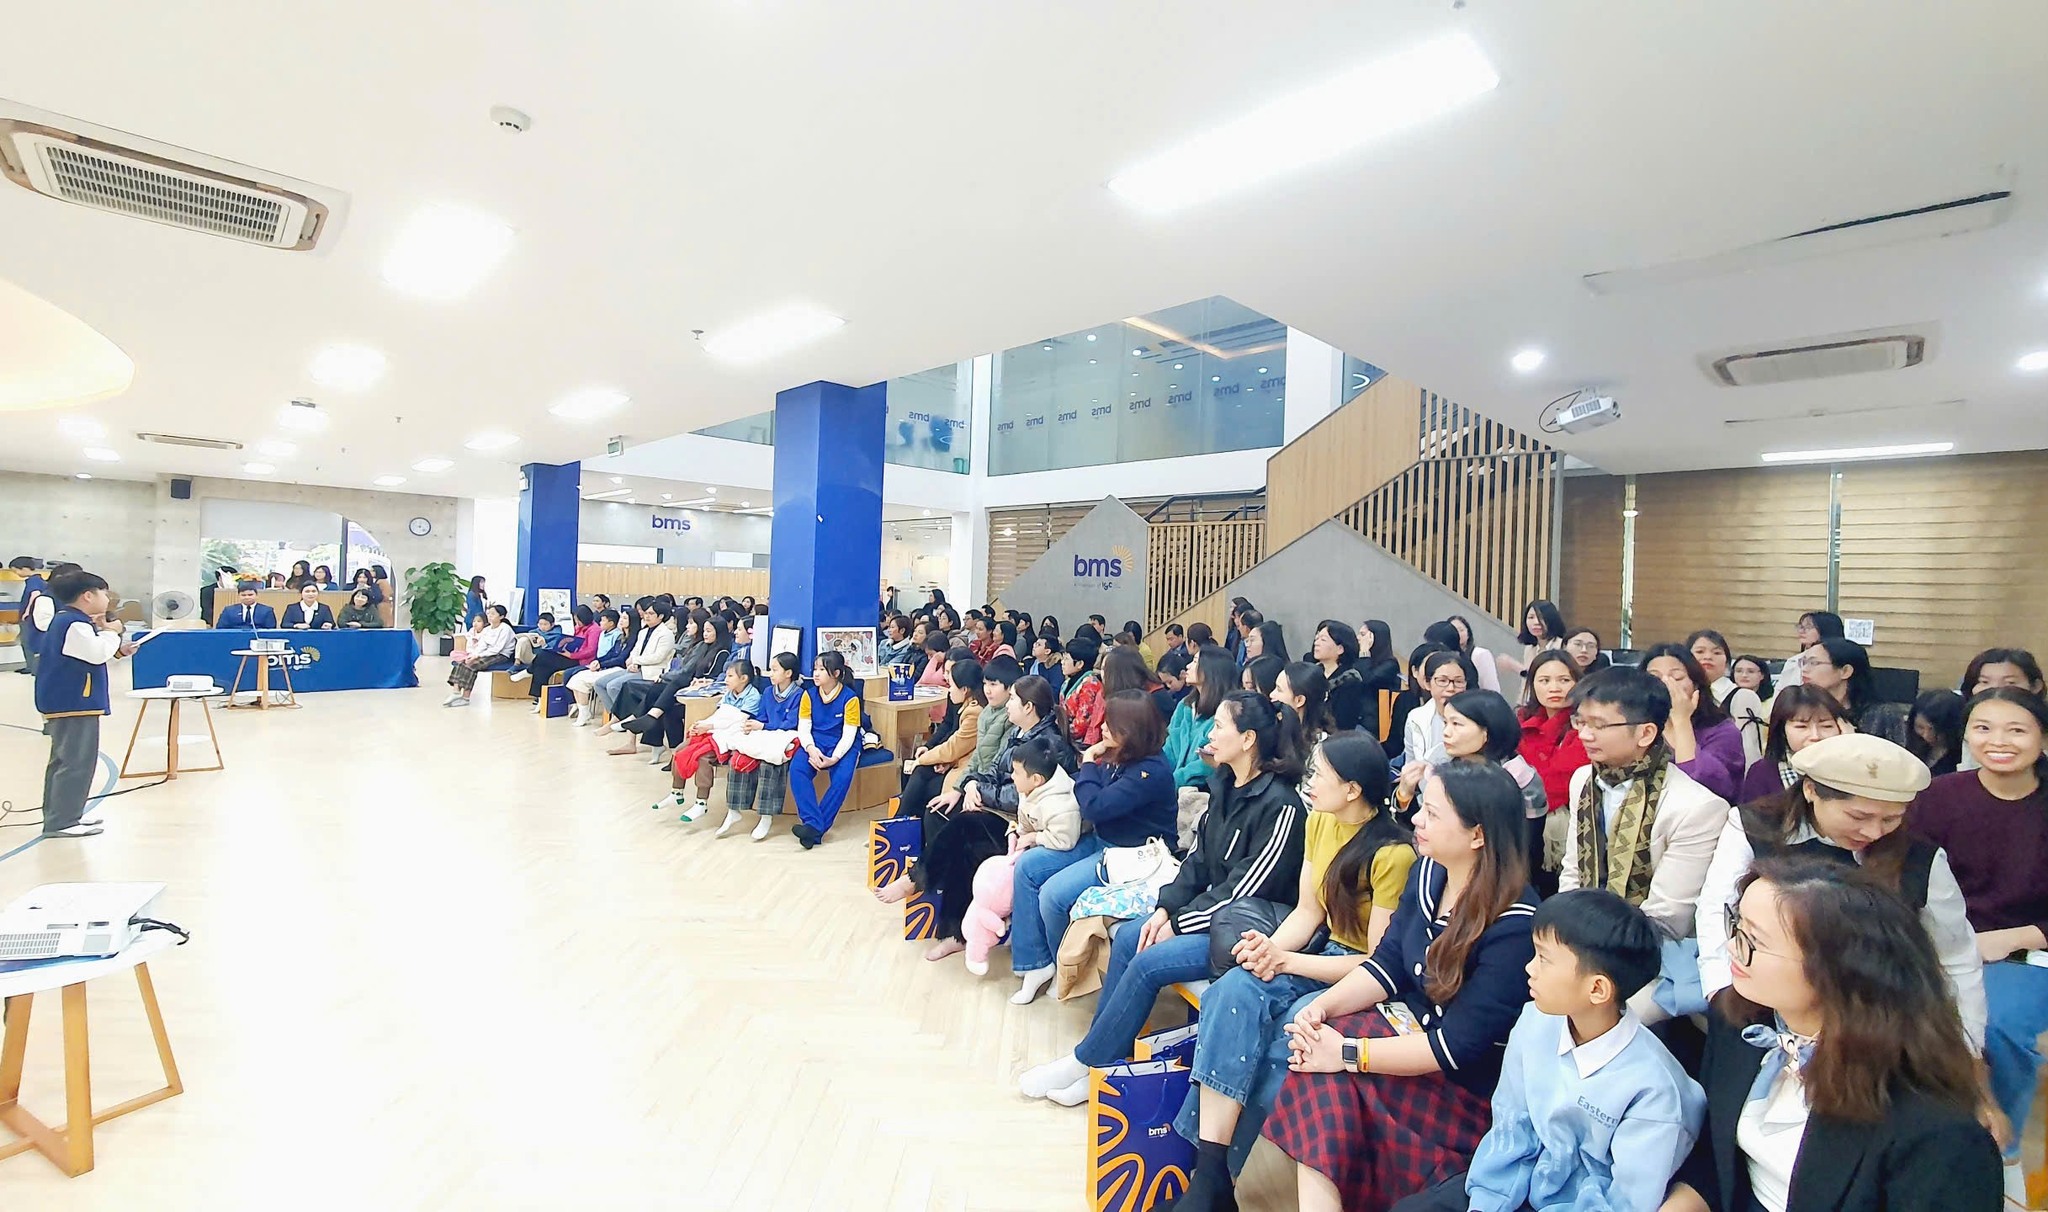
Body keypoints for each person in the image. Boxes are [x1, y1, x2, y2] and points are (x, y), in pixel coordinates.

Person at [1262, 761, 1538, 1212]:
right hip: (1409, 1034)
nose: (1416, 820)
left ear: (1477, 835)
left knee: (1327, 1070)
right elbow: (1388, 963)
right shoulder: (1428, 871)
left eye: (1432, 814)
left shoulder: (1515, 926)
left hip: (1463, 1087)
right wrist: (1322, 1009)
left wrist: (1346, 1053)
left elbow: (1455, 1048)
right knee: (1316, 1057)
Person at [1659, 857, 2000, 1212]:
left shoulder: (1936, 1132)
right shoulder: (1744, 1025)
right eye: (1736, 925)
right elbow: (1716, 1160)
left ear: (1836, 971)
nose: (1731, 947)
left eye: (1753, 940)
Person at [1018, 692, 1306, 1105]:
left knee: (1148, 959)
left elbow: (1245, 890)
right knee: (1131, 936)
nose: (1210, 735)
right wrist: (1165, 908)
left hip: (1247, 935)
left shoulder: (1282, 805)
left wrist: (1179, 922)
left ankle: (1087, 1062)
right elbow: (1197, 862)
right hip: (1212, 916)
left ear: (1247, 740)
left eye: (1219, 726)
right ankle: (1102, 1062)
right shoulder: (1225, 784)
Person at [1169, 732, 1416, 1200]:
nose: (1309, 781)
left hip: (1360, 976)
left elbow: (1378, 963)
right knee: (1232, 990)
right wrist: (1269, 953)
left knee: (1287, 1031)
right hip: (1318, 952)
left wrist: (1286, 960)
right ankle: (1209, 1173)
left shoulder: (1393, 854)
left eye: (1320, 774)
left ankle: (1216, 1182)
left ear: (1353, 789)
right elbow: (1307, 913)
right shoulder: (1319, 821)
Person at [1392, 890, 1705, 1212]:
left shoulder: (1655, 1093)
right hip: (1519, 1182)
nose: (1530, 968)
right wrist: (1487, 1204)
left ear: (1597, 988)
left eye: (1544, 958)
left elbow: (1623, 1202)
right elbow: (1511, 1125)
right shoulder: (1536, 1020)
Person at [1695, 731, 1985, 1042]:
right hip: (1759, 1003)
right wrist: (1722, 988)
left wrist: (1968, 1042)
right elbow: (1717, 908)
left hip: (1873, 1022)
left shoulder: (1920, 860)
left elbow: (1955, 956)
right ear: (1811, 790)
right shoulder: (1754, 828)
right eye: (1858, 816)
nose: (1873, 832)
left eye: (1890, 819)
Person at [1910, 688, 2048, 1197]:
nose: (1999, 741)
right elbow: (1905, 875)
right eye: (1984, 728)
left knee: (1997, 1023)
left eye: (2017, 730)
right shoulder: (1938, 797)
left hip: (2027, 953)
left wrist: (2010, 938)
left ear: (2043, 738)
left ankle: (1999, 1149)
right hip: (1937, 943)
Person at [894, 674, 1081, 962]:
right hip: (1002, 810)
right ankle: (951, 919)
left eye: (1013, 699)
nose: (1008, 704)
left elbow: (1021, 795)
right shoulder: (1017, 732)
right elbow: (992, 768)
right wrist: (971, 785)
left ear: (1029, 707)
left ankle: (922, 882)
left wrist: (980, 791)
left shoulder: (1049, 745)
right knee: (942, 817)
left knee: (964, 828)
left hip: (1025, 823)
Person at [1556, 667, 1727, 972]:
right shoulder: (1584, 779)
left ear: (1646, 733)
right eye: (1580, 721)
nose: (1584, 735)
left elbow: (1668, 917)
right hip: (1580, 941)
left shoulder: (1697, 807)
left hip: (1653, 958)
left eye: (1599, 725)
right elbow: (1573, 870)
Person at [960, 738, 1085, 975]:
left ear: (1036, 779)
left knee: (1026, 870)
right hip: (1038, 840)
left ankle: (1033, 960)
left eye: (1016, 773)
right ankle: (1014, 941)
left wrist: (1034, 838)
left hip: (1068, 847)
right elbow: (1025, 821)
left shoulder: (1061, 804)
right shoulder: (1030, 790)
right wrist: (1017, 831)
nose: (1012, 777)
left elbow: (1064, 840)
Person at [33, 569, 137, 838]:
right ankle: (62, 821)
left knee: (66, 760)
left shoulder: (71, 621)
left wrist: (116, 649)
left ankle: (64, 815)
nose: (107, 598)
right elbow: (95, 652)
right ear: (87, 596)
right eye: (103, 593)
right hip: (73, 702)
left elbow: (86, 653)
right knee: (76, 762)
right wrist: (112, 632)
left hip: (69, 701)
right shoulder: (73, 623)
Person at [1398, 689, 1546, 825]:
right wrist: (1404, 795)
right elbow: (1419, 823)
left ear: (1487, 730)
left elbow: (1529, 838)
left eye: (1456, 724)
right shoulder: (1437, 760)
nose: (1446, 732)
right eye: (1445, 722)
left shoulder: (1519, 776)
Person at [656, 657, 764, 821]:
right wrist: (701, 724)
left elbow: (737, 720)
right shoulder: (729, 694)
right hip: (716, 730)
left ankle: (701, 802)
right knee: (680, 750)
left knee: (702, 757)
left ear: (743, 678)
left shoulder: (753, 696)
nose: (726, 679)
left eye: (730, 676)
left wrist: (709, 726)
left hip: (733, 736)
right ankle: (676, 792)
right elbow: (719, 715)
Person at [718, 652, 807, 841]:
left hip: (786, 737)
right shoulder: (768, 692)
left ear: (788, 673)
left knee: (769, 764)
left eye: (775, 670)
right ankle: (733, 810)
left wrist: (764, 726)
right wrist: (753, 725)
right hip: (765, 735)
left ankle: (766, 816)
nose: (770, 674)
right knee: (738, 758)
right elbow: (762, 717)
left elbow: (791, 724)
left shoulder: (800, 695)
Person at [1642, 642, 1746, 803]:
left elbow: (1705, 785)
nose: (1665, 684)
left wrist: (1681, 721)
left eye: (1677, 678)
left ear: (1695, 683)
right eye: (1654, 677)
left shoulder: (1722, 731)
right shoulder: (1634, 726)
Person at [789, 650, 870, 849]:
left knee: (841, 779)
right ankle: (813, 824)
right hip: (815, 741)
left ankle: (813, 830)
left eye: (821, 670)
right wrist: (811, 749)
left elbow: (849, 734)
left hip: (844, 745)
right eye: (815, 669)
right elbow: (804, 727)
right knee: (797, 770)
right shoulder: (808, 695)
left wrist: (834, 758)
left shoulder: (850, 698)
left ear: (835, 673)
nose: (816, 674)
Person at [893, 658, 987, 826]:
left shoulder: (974, 712)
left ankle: (899, 826)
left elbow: (954, 747)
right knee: (919, 773)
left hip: (967, 772)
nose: (949, 690)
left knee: (923, 781)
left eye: (951, 685)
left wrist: (924, 759)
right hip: (956, 762)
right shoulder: (967, 705)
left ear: (964, 689)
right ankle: (900, 824)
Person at [1735, 685, 1852, 803]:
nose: (1815, 736)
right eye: (1802, 727)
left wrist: (1852, 746)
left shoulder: (1852, 769)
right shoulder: (1762, 772)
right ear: (1782, 730)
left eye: (1826, 726)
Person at [1800, 636, 1907, 744]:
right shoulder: (1801, 708)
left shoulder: (1882, 715)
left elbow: (1896, 753)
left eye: (1813, 663)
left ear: (1845, 671)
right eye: (1803, 662)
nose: (1804, 669)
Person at [588, 599, 675, 720]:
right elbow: (635, 650)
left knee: (613, 686)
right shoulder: (643, 632)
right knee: (599, 683)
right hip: (635, 668)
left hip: (651, 671)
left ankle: (626, 719)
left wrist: (636, 661)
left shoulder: (666, 634)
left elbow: (658, 657)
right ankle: (617, 716)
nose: (647, 616)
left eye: (651, 614)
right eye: (646, 613)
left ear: (660, 616)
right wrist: (631, 661)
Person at [1689, 629, 1766, 765]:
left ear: (1727, 662)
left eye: (1717, 653)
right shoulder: (1681, 694)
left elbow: (1749, 751)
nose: (1708, 657)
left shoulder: (1743, 697)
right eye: (1700, 652)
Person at [1164, 644, 1232, 791]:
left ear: (1211, 669)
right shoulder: (1185, 705)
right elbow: (1169, 745)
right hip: (1170, 786)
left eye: (1195, 661)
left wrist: (1172, 783)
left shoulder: (1225, 714)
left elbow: (1206, 765)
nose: (1188, 666)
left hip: (1200, 792)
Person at [1401, 650, 1472, 777]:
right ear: (1427, 683)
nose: (1451, 688)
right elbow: (1410, 763)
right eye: (1442, 681)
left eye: (1458, 682)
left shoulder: (1474, 720)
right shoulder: (1415, 718)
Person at [520, 605, 598, 709]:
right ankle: (540, 699)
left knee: (543, 656)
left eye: (577, 619)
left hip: (581, 660)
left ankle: (529, 671)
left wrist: (572, 655)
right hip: (569, 655)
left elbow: (591, 650)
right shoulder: (578, 627)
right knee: (542, 667)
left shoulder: (594, 630)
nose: (576, 622)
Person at [1385, 643, 1447, 765]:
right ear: (1415, 671)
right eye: (1430, 667)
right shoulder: (1405, 700)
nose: (1435, 673)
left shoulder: (1454, 704)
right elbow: (1395, 743)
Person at [564, 609, 628, 724]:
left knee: (578, 676)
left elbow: (617, 657)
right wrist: (597, 661)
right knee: (574, 677)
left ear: (611, 623)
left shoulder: (617, 635)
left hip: (613, 667)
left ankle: (584, 708)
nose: (600, 623)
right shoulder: (605, 634)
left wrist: (601, 664)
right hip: (600, 663)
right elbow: (609, 653)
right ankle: (581, 708)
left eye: (603, 621)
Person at [445, 604, 514, 706]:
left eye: (493, 614)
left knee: (472, 666)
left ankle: (466, 697)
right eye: (489, 613)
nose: (490, 616)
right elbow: (482, 645)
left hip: (501, 655)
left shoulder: (505, 629)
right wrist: (473, 655)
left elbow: (497, 649)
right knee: (462, 662)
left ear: (501, 616)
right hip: (486, 653)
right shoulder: (487, 629)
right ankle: (456, 692)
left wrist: (478, 656)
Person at [1495, 598, 1566, 689]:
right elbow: (1526, 685)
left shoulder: (1562, 646)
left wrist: (1515, 666)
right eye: (1531, 617)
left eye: (1541, 618)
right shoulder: (1530, 649)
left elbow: (1546, 678)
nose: (1536, 622)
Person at [1905, 688, 1965, 778]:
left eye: (1934, 730)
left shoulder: (1963, 756)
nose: (1926, 736)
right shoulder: (1911, 743)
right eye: (1920, 727)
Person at [1059, 634, 1106, 747]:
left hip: (1079, 744)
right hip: (1064, 736)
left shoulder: (1090, 685)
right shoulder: (1067, 682)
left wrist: (1058, 732)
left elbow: (1081, 725)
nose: (1062, 662)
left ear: (1080, 664)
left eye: (1066, 659)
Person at [12, 557, 50, 676]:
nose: (16, 573)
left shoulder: (33, 581)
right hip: (33, 616)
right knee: (29, 641)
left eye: (16, 570)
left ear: (24, 568)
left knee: (28, 642)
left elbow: (35, 595)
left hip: (29, 617)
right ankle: (31, 666)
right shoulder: (38, 580)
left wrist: (28, 611)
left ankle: (33, 668)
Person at [1151, 648, 1192, 720]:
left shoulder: (1191, 693)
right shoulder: (1173, 693)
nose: (1168, 686)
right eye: (1165, 683)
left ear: (1182, 674)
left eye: (1170, 682)